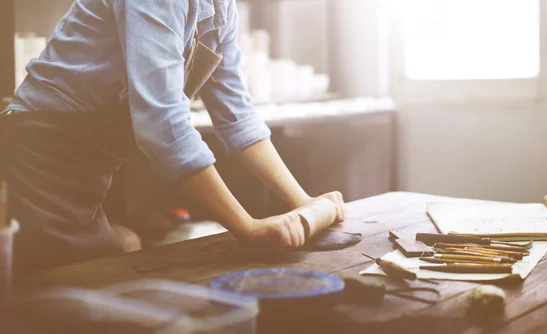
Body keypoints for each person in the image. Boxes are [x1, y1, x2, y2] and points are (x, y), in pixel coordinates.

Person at [0, 0, 345, 274]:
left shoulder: (220, 7)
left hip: (84, 178)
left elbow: (237, 116)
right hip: (39, 163)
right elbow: (162, 124)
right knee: (76, 297)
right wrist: (247, 227)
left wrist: (304, 202)